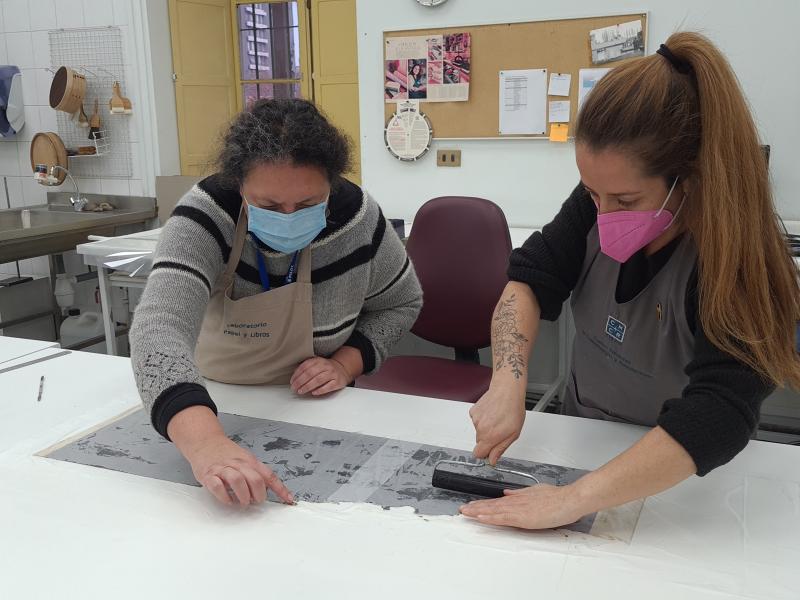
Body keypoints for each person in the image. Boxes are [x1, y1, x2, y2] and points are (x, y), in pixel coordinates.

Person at [461, 32, 800, 529]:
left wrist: (571, 500)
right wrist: (507, 383)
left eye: (625, 202)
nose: (602, 215)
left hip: (673, 469)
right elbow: (528, 281)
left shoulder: (739, 259)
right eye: (591, 193)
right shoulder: (598, 200)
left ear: (691, 179)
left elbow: (720, 410)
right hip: (584, 439)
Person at [130, 99, 422, 507]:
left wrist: (346, 363)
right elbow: (158, 326)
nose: (288, 217)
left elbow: (402, 302)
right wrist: (206, 444)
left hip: (322, 409)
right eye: (268, 206)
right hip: (211, 404)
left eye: (306, 205)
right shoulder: (207, 213)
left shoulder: (357, 218)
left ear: (331, 186)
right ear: (239, 186)